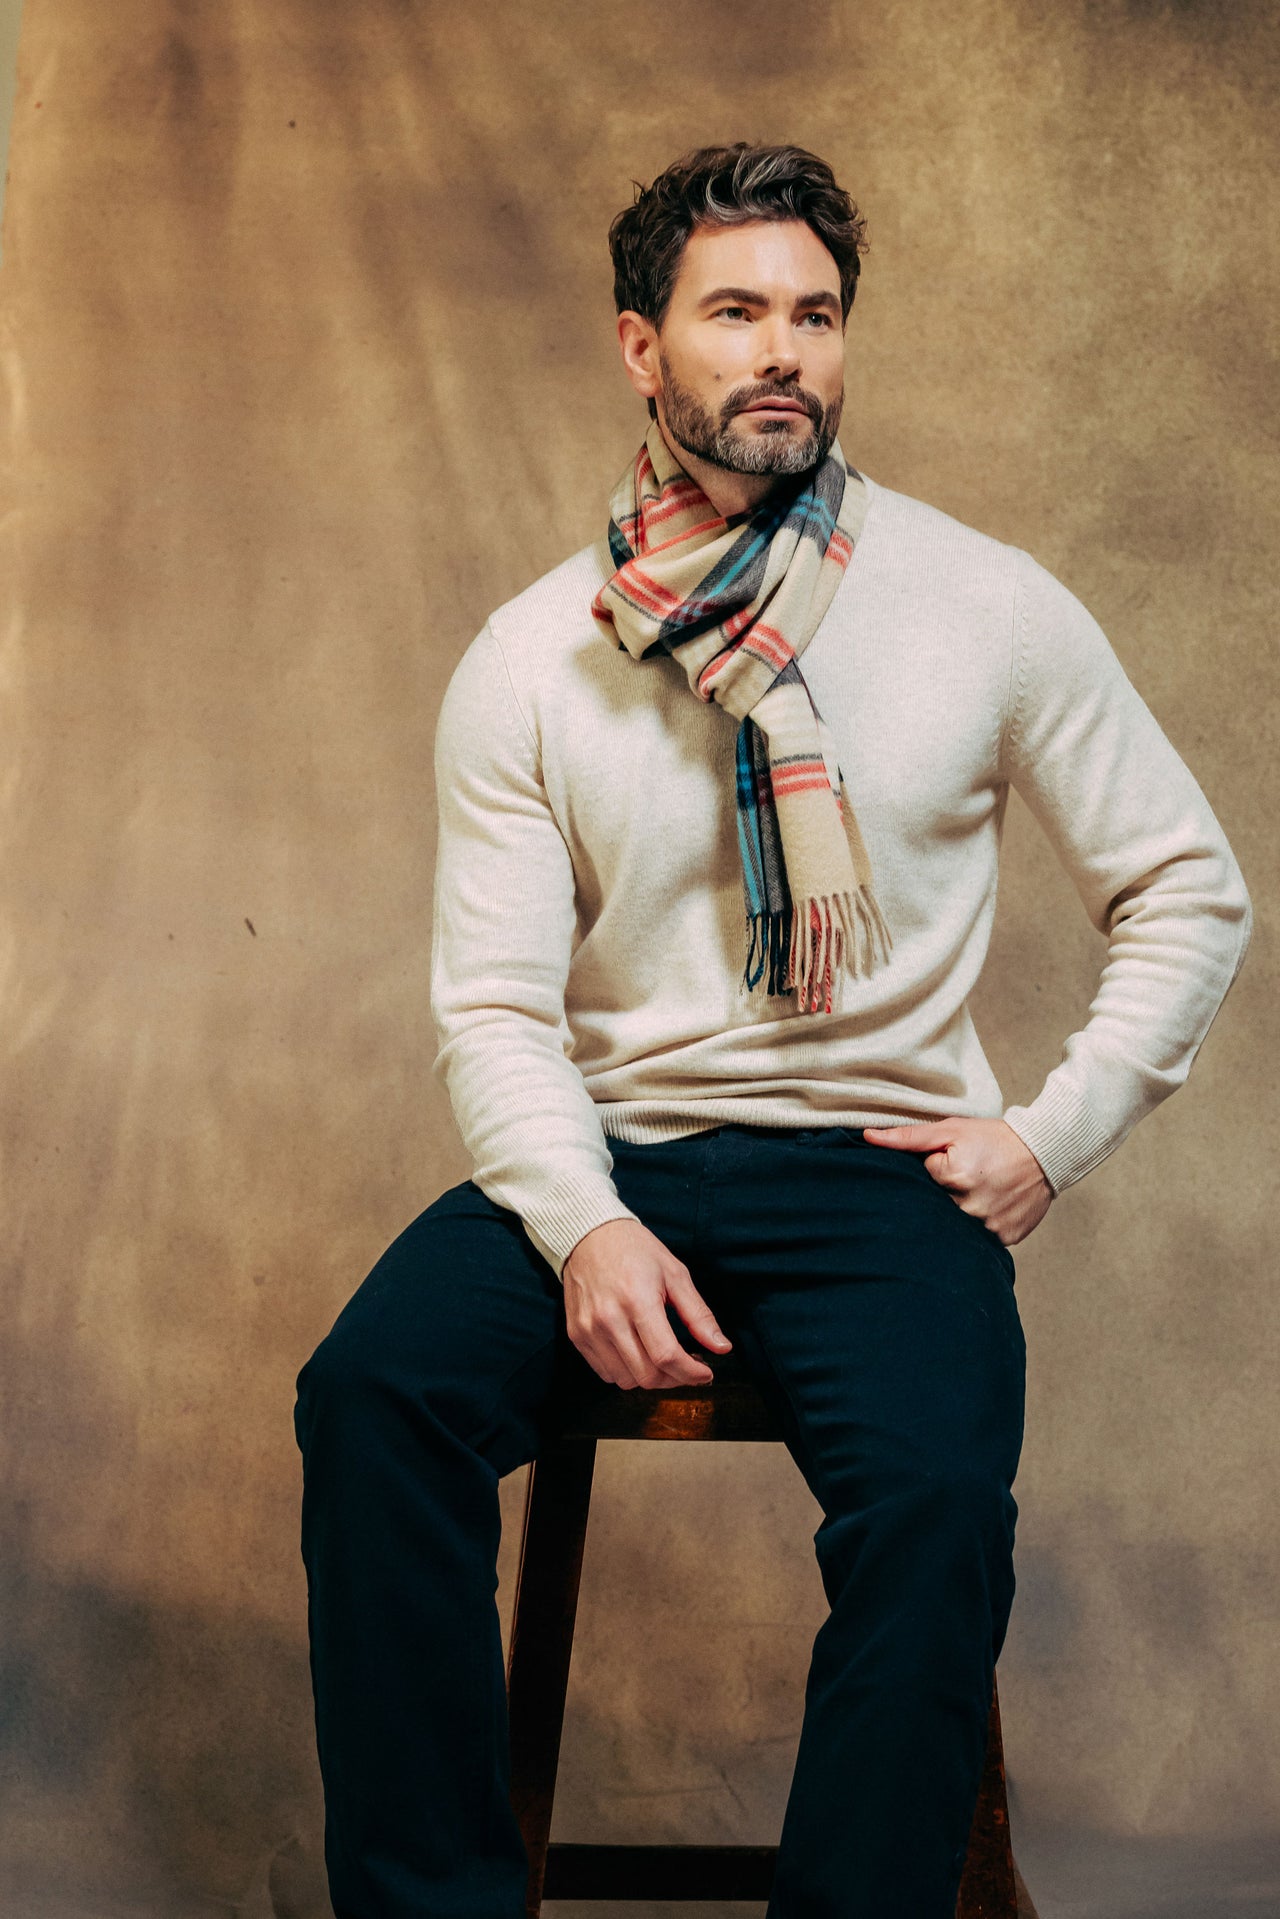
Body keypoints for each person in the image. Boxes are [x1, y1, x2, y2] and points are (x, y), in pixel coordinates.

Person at [292, 142, 1252, 1918]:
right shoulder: (530, 657)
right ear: (641, 350)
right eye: (736, 312)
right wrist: (581, 1223)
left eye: (816, 313)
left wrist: (1053, 1129)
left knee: (938, 1510)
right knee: (370, 1399)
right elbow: (497, 1007)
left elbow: (1191, 887)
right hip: (616, 1154)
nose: (786, 352)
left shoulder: (987, 601)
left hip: (877, 1169)